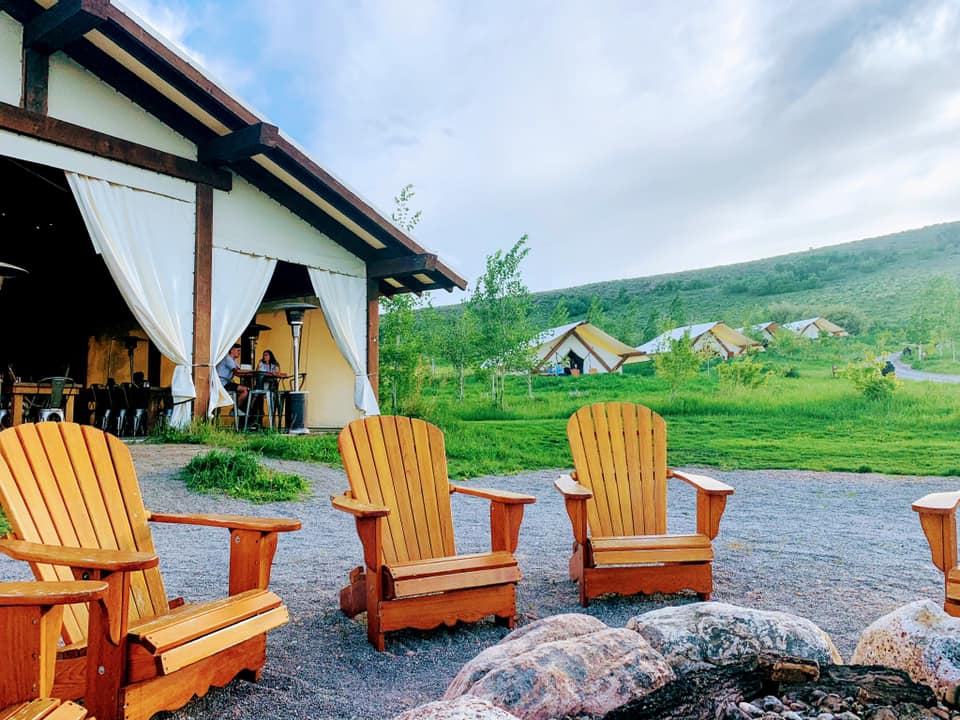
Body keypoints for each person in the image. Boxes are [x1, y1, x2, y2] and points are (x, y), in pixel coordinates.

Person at [216, 344, 248, 409]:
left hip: (226, 383)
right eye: (238, 351)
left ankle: (238, 410)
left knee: (244, 389)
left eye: (240, 351)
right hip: (222, 384)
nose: (239, 353)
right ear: (232, 350)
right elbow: (236, 371)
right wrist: (250, 373)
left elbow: (239, 371)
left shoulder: (234, 360)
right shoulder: (228, 358)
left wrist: (248, 373)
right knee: (244, 390)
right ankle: (235, 410)